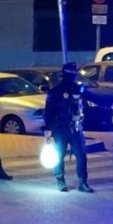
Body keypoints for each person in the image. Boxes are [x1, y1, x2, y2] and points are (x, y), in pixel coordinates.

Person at [45, 62, 93, 193]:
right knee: (59, 155)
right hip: (60, 128)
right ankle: (60, 180)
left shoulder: (78, 89)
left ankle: (83, 182)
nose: (72, 75)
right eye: (70, 73)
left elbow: (92, 97)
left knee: (81, 155)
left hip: (76, 128)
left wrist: (110, 104)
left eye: (74, 73)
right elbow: (49, 111)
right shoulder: (55, 92)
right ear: (64, 73)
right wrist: (47, 128)